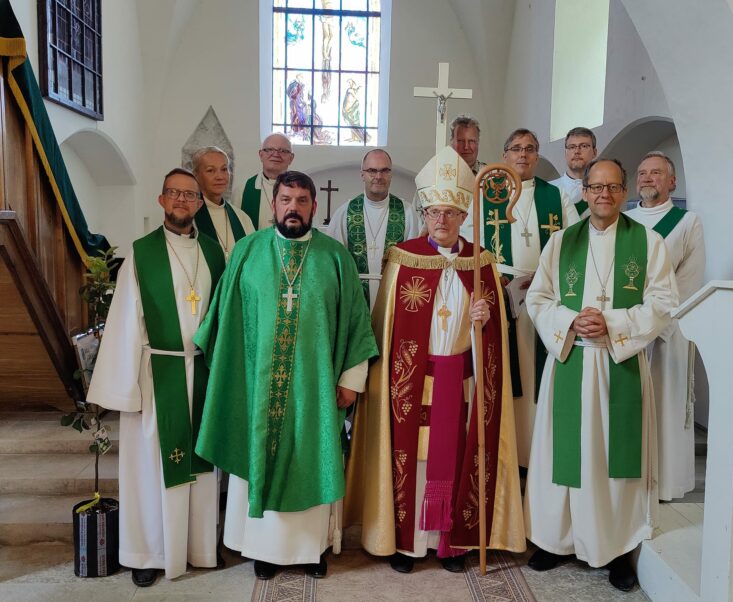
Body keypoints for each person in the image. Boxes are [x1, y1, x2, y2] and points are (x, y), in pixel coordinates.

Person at [344, 146, 526, 574]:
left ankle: (451, 543)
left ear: (463, 216)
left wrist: (486, 319)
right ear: (423, 214)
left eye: (449, 213)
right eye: (433, 213)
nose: (440, 221)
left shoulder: (480, 262)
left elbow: (495, 342)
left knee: (457, 457)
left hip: (460, 381)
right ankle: (407, 544)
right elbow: (386, 327)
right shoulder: (403, 258)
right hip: (412, 382)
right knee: (415, 459)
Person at [194, 171, 378, 580]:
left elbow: (356, 324)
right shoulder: (248, 251)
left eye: (302, 201)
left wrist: (351, 379)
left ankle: (310, 550)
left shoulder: (335, 257)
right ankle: (262, 551)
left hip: (314, 389)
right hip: (256, 387)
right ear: (274, 204)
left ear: (314, 206)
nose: (293, 208)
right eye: (285, 199)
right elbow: (222, 319)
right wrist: (229, 377)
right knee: (259, 453)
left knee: (312, 458)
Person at [524, 158, 678, 591]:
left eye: (612, 187)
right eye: (596, 187)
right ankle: (557, 541)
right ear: (585, 192)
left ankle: (616, 550)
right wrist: (571, 321)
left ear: (624, 192)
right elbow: (539, 298)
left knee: (613, 460)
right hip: (571, 359)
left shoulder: (648, 243)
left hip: (618, 364)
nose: (603, 195)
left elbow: (664, 302)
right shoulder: (561, 242)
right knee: (564, 456)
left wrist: (611, 323)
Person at [87, 168, 226, 587]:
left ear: (199, 204)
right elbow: (125, 321)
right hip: (156, 375)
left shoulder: (214, 253)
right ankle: (147, 553)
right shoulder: (141, 253)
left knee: (202, 469)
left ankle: (200, 547)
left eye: (190, 195)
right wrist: (123, 386)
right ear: (161, 199)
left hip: (202, 371)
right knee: (149, 470)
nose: (182, 200)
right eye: (174, 193)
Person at [462, 128, 579, 467]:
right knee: (507, 372)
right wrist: (492, 276)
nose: (523, 155)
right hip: (500, 292)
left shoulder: (556, 196)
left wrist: (547, 277)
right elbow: (469, 245)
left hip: (547, 295)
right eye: (516, 148)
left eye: (529, 148)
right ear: (505, 155)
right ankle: (507, 454)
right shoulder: (484, 193)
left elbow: (574, 244)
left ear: (537, 155)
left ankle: (538, 455)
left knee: (538, 377)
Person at [626, 151, 706, 501]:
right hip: (625, 327)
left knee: (664, 405)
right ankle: (629, 481)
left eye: (656, 172)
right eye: (642, 172)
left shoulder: (687, 222)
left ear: (672, 181)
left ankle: (664, 484)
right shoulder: (623, 220)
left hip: (666, 332)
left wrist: (658, 322)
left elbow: (689, 280)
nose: (647, 178)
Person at [328, 149, 419, 308]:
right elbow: (333, 261)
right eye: (372, 170)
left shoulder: (407, 212)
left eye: (385, 170)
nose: (378, 176)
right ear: (362, 174)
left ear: (391, 174)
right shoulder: (345, 212)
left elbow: (415, 262)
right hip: (354, 299)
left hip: (394, 298)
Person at [192, 146, 254, 260]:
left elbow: (253, 259)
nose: (219, 177)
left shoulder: (242, 218)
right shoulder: (189, 218)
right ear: (196, 175)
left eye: (224, 169)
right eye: (210, 170)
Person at [234, 133, 294, 230]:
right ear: (261, 155)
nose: (276, 154)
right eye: (269, 150)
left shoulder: (301, 191)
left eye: (283, 151)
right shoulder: (242, 191)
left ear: (291, 158)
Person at [549, 127, 598, 219]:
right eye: (572, 147)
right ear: (565, 152)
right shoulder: (548, 190)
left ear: (594, 152)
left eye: (584, 146)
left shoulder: (602, 190)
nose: (577, 151)